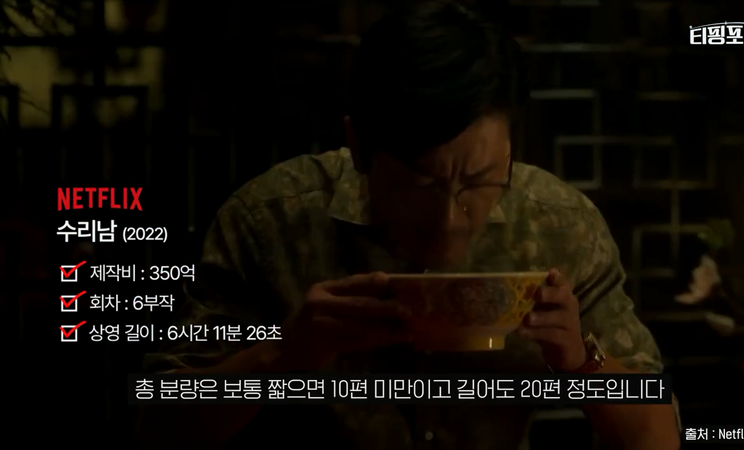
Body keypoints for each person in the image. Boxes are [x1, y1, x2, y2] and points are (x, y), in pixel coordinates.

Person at [137, 1, 681, 448]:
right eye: (421, 185)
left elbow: (658, 438)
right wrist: (284, 355)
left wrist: (582, 363)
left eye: (480, 182)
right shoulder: (270, 222)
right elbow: (156, 425)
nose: (450, 220)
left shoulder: (558, 225)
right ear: (359, 146)